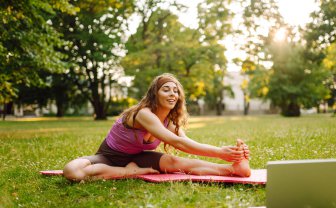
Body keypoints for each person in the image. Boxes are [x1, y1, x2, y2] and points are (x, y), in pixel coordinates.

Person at [63, 73, 251, 181]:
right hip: (109, 157)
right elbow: (177, 142)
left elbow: (185, 142)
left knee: (174, 163)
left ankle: (233, 170)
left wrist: (231, 154)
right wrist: (219, 151)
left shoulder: (169, 120)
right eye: (166, 89)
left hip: (139, 158)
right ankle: (130, 172)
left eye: (176, 91)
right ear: (155, 94)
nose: (172, 94)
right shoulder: (144, 114)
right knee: (72, 171)